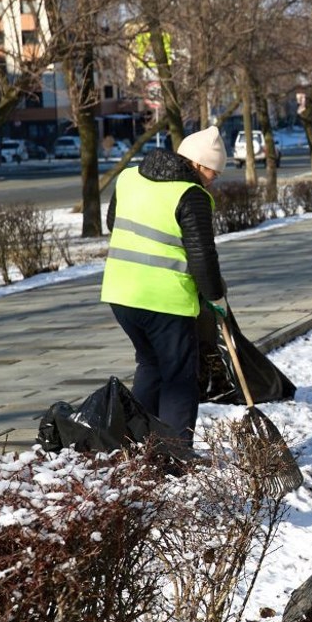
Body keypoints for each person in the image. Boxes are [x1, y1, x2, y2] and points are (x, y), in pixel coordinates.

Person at [100, 125, 229, 444]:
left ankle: (138, 444)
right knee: (179, 378)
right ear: (199, 164)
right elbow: (202, 257)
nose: (214, 180)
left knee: (151, 365)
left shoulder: (129, 177)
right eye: (214, 172)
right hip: (165, 301)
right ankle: (176, 453)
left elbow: (112, 223)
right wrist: (216, 294)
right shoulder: (192, 195)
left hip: (121, 294)